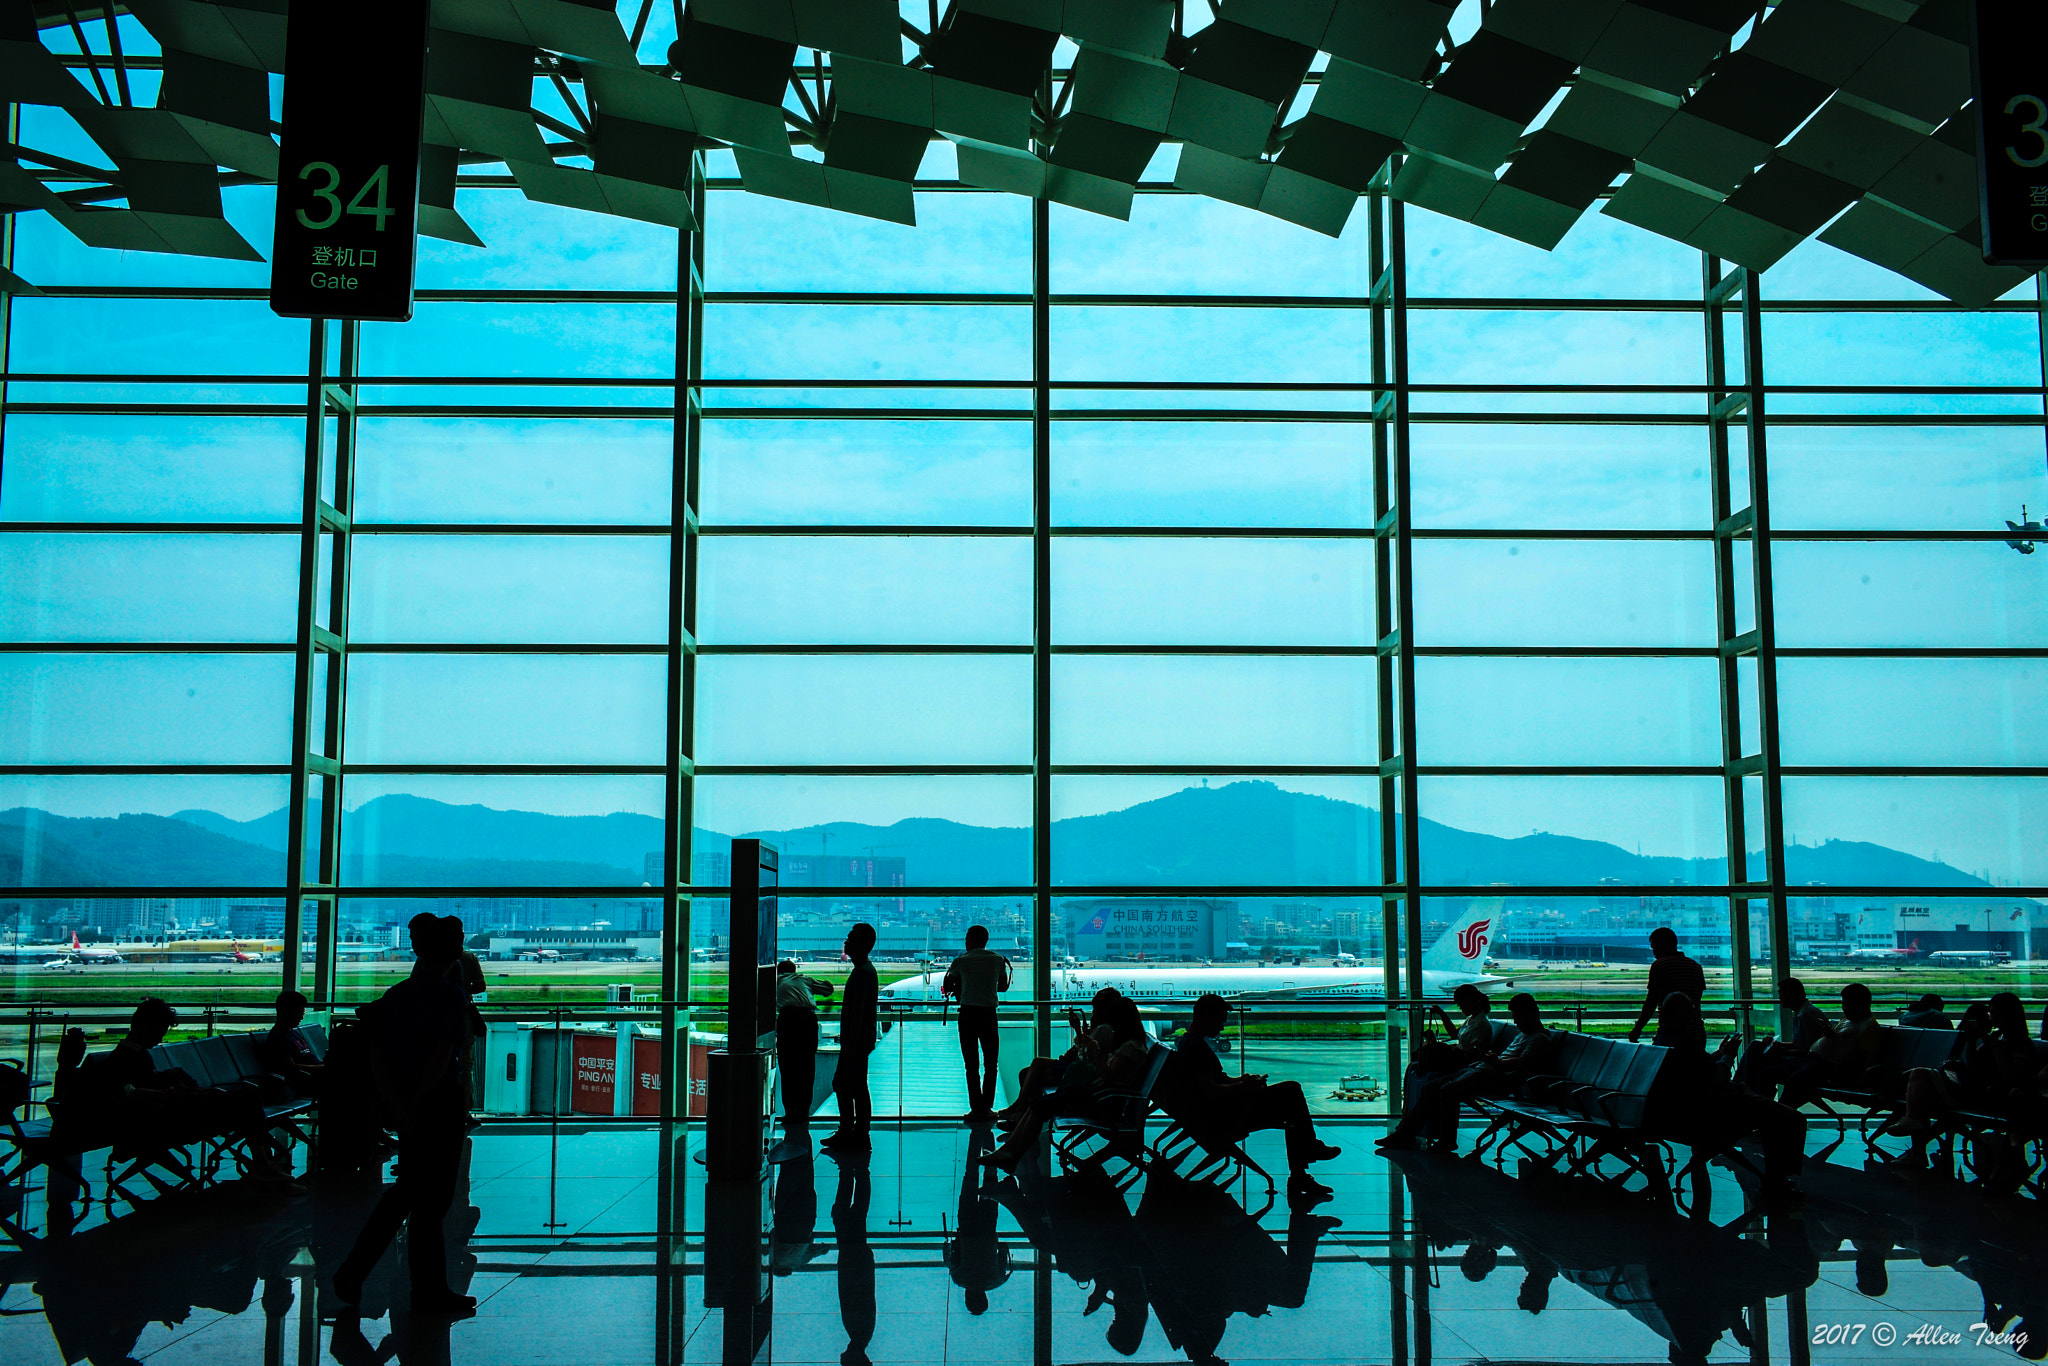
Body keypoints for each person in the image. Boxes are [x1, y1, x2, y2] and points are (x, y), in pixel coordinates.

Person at [332, 913, 477, 1316]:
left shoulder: (395, 996)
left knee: (407, 1194)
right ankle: (424, 1289)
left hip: (403, 1107)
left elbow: (377, 1058)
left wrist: (398, 1105)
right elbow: (441, 1057)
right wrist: (418, 1102)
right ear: (454, 950)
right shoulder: (449, 997)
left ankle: (357, 1273)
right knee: (431, 1203)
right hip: (439, 1107)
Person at [70, 997, 302, 1190]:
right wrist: (173, 1093)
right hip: (169, 1117)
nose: (161, 1038)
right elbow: (131, 1094)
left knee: (244, 1096)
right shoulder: (125, 1059)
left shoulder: (134, 1055)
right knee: (245, 1097)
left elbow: (136, 1089)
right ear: (144, 1027)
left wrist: (172, 1086)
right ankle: (261, 1163)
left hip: (172, 1111)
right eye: (158, 1031)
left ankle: (261, 1162)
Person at [1167, 992, 1342, 1192]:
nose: (1222, 1026)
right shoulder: (1196, 1048)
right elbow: (1211, 1092)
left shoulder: (1187, 1043)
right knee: (1292, 1093)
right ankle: (1305, 1160)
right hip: (1226, 1116)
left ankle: (1303, 1165)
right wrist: (1244, 1087)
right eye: (1220, 1020)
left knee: (1290, 1100)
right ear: (1206, 1016)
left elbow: (1209, 1083)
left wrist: (1241, 1081)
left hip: (1220, 1110)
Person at [1649, 991, 1805, 1200]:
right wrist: (1729, 1056)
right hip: (1708, 1113)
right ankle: (1778, 1179)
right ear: (1684, 1016)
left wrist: (1719, 1055)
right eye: (1692, 1013)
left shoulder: (1663, 1039)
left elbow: (1698, 1070)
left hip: (1681, 1113)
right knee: (1789, 1117)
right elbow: (1715, 1077)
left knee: (1761, 1098)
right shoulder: (1685, 1044)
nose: (1696, 1017)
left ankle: (1776, 1177)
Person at [976, 994, 1150, 1173]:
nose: (1112, 1029)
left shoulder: (1130, 1048)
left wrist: (1096, 1051)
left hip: (1099, 1101)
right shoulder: (1133, 1046)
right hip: (1096, 1096)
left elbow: (1107, 1076)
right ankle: (1009, 1152)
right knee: (1038, 1104)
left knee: (1039, 1104)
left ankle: (1010, 1153)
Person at [1382, 993, 1557, 1152]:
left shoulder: (1539, 1039)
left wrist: (1496, 1061)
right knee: (1431, 1087)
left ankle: (1446, 1140)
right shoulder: (1524, 1035)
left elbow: (1520, 1063)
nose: (1516, 1022)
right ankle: (1405, 1133)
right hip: (1483, 1069)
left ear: (1529, 1015)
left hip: (1496, 1078)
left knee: (1446, 1090)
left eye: (1517, 1017)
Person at [1377, 984, 1501, 1150]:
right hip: (1464, 1065)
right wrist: (1442, 1015)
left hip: (1467, 1067)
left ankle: (1408, 1132)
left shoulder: (1481, 1024)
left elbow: (1473, 1052)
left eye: (1461, 1003)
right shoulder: (1472, 1020)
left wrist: (1451, 1050)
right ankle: (1406, 1131)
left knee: (1430, 1084)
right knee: (1425, 1078)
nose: (1460, 1007)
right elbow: (1455, 1035)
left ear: (1471, 1001)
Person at [943, 925, 1012, 1124]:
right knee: (991, 1064)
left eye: (966, 938)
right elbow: (1002, 986)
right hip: (989, 1015)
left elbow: (949, 985)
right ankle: (987, 1108)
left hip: (967, 1015)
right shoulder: (998, 960)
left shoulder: (960, 961)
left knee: (971, 1065)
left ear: (971, 940)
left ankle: (976, 1109)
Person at [822, 924, 877, 1153]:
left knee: (847, 1086)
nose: (846, 942)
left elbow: (856, 1012)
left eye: (851, 938)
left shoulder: (862, 973)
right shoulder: (864, 970)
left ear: (863, 944)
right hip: (859, 1040)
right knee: (852, 1086)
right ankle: (855, 1133)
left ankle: (854, 1133)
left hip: (856, 1041)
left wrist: (849, 1044)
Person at [1738, 977, 1834, 1109]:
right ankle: (1752, 1098)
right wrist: (1779, 1045)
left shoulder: (1805, 1015)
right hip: (1803, 1061)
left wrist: (1781, 1050)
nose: (1779, 997)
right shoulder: (1803, 1012)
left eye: (1781, 993)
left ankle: (1747, 1094)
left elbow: (1810, 1051)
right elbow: (1801, 1044)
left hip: (1804, 1063)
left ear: (1790, 994)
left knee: (1758, 1058)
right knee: (1756, 1049)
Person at [776, 959, 833, 1145]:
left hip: (787, 1021)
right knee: (807, 1069)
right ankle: (803, 1113)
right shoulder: (803, 979)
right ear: (794, 970)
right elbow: (828, 989)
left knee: (787, 1068)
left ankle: (791, 1113)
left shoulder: (775, 982)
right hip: (807, 1021)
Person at [1627, 927, 1705, 1043]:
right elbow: (1697, 999)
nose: (1653, 951)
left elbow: (1651, 1002)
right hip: (1697, 1034)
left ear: (1661, 945)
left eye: (1653, 946)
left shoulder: (1659, 966)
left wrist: (1638, 1028)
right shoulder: (1696, 966)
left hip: (1671, 1034)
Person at [256, 990, 325, 1097]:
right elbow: (290, 1067)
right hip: (307, 1081)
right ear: (285, 1012)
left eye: (302, 1014)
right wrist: (321, 1068)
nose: (301, 1018)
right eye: (298, 1014)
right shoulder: (277, 1038)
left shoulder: (293, 1033)